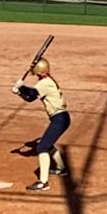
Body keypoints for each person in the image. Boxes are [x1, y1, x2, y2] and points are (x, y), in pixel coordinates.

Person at [13, 58, 70, 191]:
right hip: (62, 118)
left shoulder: (45, 83)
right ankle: (61, 169)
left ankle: (43, 182)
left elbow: (31, 95)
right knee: (47, 143)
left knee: (42, 147)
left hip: (59, 119)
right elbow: (30, 97)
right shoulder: (48, 81)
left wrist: (20, 88)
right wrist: (20, 91)